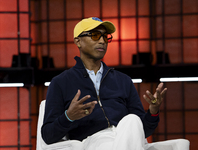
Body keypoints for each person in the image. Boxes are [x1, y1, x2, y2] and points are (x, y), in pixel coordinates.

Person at [41, 17, 167, 150]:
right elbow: (48, 136)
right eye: (95, 35)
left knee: (132, 120)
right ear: (78, 41)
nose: (102, 41)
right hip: (94, 141)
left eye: (105, 37)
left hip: (126, 136)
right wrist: (68, 117)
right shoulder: (61, 82)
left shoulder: (123, 80)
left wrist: (153, 112)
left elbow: (144, 131)